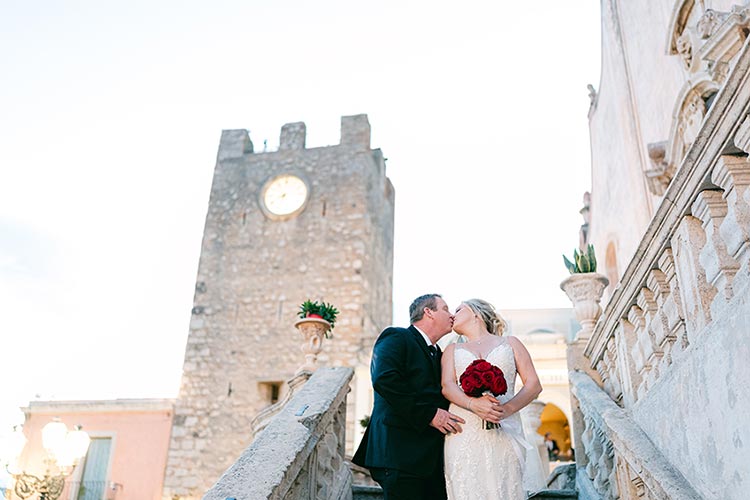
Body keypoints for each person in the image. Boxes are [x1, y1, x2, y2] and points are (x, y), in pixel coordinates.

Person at [352, 294, 466, 500]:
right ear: (428, 312)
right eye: (445, 309)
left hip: (431, 460)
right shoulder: (396, 336)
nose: (451, 316)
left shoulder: (439, 353)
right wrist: (429, 415)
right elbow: (385, 380)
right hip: (399, 453)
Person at [440, 299, 545, 500]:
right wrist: (473, 403)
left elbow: (533, 384)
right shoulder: (451, 350)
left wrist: (506, 410)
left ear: (476, 313)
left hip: (504, 429)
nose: (453, 315)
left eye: (458, 309)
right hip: (464, 431)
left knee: (504, 487)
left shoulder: (511, 343)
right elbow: (448, 386)